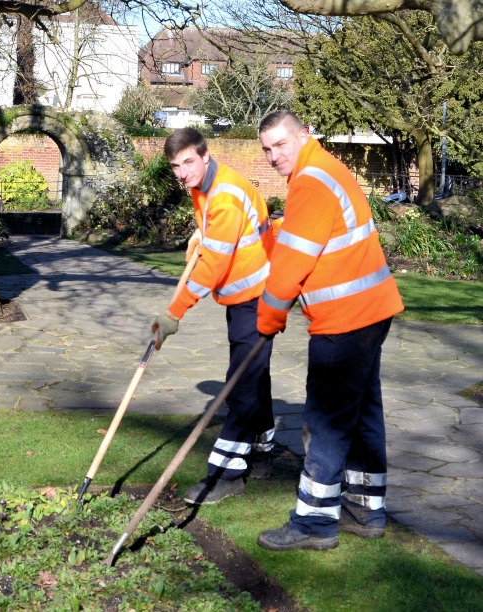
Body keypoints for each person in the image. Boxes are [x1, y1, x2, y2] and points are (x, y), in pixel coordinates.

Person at [255, 110, 404, 551]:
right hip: (371, 310)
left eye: (281, 144)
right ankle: (365, 508)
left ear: (304, 135)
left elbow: (290, 265)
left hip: (346, 320)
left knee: (325, 420)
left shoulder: (311, 182)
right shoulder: (325, 169)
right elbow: (315, 238)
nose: (273, 155)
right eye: (267, 149)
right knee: (362, 413)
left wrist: (268, 316)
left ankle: (314, 522)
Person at [151, 127, 276, 505]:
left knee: (241, 382)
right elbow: (217, 238)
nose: (182, 173)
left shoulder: (223, 195)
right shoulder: (203, 185)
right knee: (254, 373)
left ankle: (225, 475)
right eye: (176, 166)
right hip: (242, 296)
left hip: (260, 297)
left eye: (188, 162)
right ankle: (263, 452)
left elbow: (212, 269)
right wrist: (200, 236)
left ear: (205, 155)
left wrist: (174, 313)